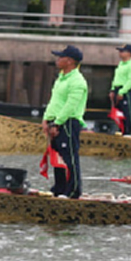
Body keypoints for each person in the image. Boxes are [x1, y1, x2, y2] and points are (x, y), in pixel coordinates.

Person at [42, 45, 88, 198]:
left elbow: (70, 105)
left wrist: (58, 123)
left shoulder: (77, 81)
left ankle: (73, 190)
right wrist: (46, 119)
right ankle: (59, 188)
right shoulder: (61, 78)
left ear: (69, 61)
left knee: (69, 157)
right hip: (55, 120)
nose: (57, 59)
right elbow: (54, 101)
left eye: (60, 57)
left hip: (68, 122)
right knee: (57, 157)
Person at [110, 44, 131, 135]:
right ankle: (121, 130)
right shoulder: (121, 64)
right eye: (120, 51)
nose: (120, 53)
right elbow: (116, 78)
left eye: (122, 51)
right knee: (119, 112)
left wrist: (122, 92)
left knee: (128, 113)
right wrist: (112, 90)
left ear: (129, 53)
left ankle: (130, 132)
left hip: (125, 90)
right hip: (117, 88)